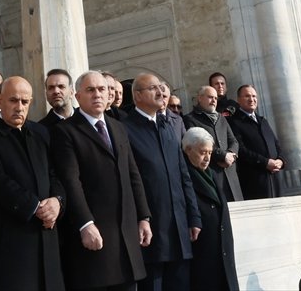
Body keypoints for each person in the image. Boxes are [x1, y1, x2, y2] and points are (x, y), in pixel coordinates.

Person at [51, 70, 152, 291]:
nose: (97, 94)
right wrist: (85, 223)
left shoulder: (118, 127)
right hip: (94, 234)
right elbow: (71, 181)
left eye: (101, 89)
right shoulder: (66, 131)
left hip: (126, 234)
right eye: (90, 90)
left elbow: (132, 174)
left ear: (109, 94)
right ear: (77, 96)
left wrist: (143, 217)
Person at [0, 76, 65, 291]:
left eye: (25, 102)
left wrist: (57, 202)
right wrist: (36, 207)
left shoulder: (40, 134)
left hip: (47, 238)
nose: (19, 107)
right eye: (13, 100)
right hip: (10, 241)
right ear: (0, 100)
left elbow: (54, 175)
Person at [122, 73, 201, 291]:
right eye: (153, 88)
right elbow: (130, 180)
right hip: (151, 228)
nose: (160, 92)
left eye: (161, 87)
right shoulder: (125, 129)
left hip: (179, 224)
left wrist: (193, 216)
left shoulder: (168, 126)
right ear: (137, 96)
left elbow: (183, 174)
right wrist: (142, 217)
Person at [181, 127, 239, 291]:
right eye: (202, 152)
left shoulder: (212, 174)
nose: (207, 158)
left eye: (210, 152)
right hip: (203, 252)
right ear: (188, 150)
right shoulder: (184, 175)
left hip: (222, 250)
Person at [183, 85, 244, 202]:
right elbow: (198, 144)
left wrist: (231, 154)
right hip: (213, 173)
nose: (214, 101)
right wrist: (223, 156)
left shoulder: (221, 118)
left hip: (231, 174)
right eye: (210, 97)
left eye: (215, 98)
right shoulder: (190, 119)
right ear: (200, 98)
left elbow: (233, 141)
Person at [229, 85, 285, 200]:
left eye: (254, 96)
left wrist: (280, 160)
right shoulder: (234, 122)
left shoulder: (263, 121)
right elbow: (240, 149)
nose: (251, 99)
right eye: (247, 96)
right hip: (254, 181)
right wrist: (265, 163)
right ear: (238, 100)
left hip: (276, 179)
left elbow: (276, 144)